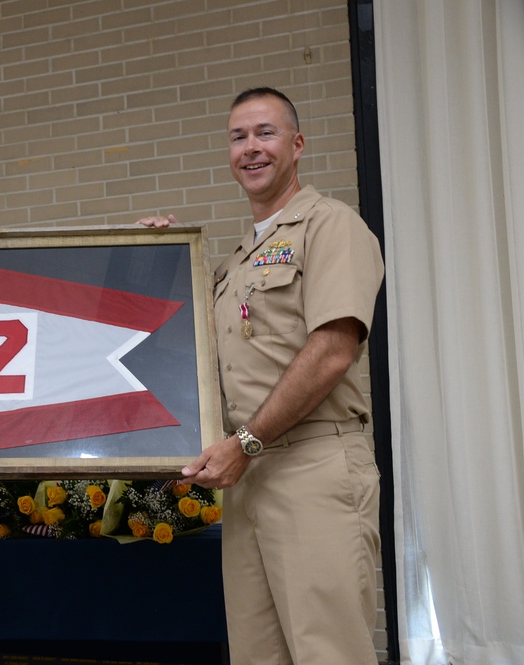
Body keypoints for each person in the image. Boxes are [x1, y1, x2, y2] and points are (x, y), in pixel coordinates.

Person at [139, 88, 384, 664]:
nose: (251, 148)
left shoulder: (331, 227)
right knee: (258, 656)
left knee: (329, 653)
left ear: (297, 145)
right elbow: (180, 349)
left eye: (265, 133)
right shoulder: (237, 260)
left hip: (314, 469)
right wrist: (156, 255)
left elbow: (331, 352)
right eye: (238, 137)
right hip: (247, 479)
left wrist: (246, 442)